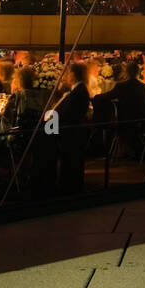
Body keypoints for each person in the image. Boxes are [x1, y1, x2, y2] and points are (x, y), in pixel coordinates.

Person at [52, 62, 91, 194]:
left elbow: (68, 112)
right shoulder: (78, 90)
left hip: (70, 131)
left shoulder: (78, 92)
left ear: (73, 74)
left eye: (68, 73)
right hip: (72, 129)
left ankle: (68, 186)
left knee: (70, 160)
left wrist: (53, 119)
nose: (67, 76)